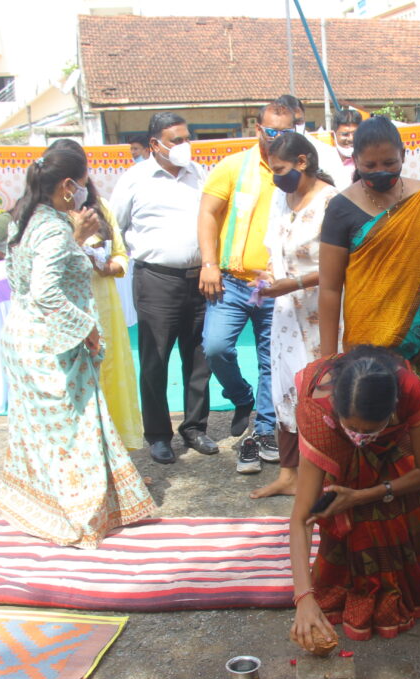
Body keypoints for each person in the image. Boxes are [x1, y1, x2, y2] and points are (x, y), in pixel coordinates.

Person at [318, 116, 420, 563]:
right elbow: (330, 288)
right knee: (384, 442)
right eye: (370, 165)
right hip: (371, 354)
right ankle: (384, 533)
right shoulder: (341, 209)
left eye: (389, 163)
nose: (380, 172)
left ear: (403, 156)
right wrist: (328, 360)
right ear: (355, 162)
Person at [0, 146, 155, 548]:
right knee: (70, 430)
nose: (86, 191)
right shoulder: (52, 228)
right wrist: (87, 329)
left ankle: (42, 505)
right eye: (83, 182)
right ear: (68, 186)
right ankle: (79, 513)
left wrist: (77, 239)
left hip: (23, 336)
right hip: (50, 342)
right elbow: (45, 291)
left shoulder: (25, 217)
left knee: (39, 429)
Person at [288, 347, 420, 645]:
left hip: (393, 458)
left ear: (393, 411)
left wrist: (363, 496)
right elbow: (302, 517)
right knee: (333, 507)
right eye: (353, 428)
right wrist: (303, 598)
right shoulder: (319, 414)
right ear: (336, 407)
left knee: (387, 514)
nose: (359, 437)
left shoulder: (409, 390)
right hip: (336, 446)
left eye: (370, 430)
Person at [112, 112, 218, 464]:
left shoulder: (199, 174)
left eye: (188, 138)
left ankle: (194, 427)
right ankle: (158, 435)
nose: (185, 145)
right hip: (156, 280)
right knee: (155, 360)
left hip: (200, 278)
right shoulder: (134, 179)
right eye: (177, 140)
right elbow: (116, 226)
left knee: (200, 357)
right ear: (155, 144)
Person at [197, 102, 293, 474]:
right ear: (258, 129)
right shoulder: (233, 167)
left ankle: (266, 429)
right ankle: (241, 396)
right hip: (232, 282)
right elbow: (207, 213)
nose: (278, 138)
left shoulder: (296, 172)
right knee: (216, 347)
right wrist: (209, 264)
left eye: (287, 132)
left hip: (276, 284)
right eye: (272, 131)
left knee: (272, 359)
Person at [250, 132, 339, 499]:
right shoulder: (281, 199)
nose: (276, 177)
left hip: (322, 310)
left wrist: (295, 282)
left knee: (320, 390)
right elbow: (278, 250)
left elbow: (341, 264)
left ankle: (328, 476)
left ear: (303, 162)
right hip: (287, 312)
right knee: (285, 386)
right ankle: (289, 474)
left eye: (280, 169)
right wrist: (270, 279)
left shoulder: (332, 202)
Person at [47, 138, 144, 453]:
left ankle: (115, 455)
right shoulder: (45, 217)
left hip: (104, 305)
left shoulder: (98, 208)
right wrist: (77, 241)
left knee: (111, 376)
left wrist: (108, 266)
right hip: (67, 310)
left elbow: (120, 255)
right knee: (74, 385)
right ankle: (82, 458)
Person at [330, 107, 362, 184]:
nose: (351, 139)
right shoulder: (325, 162)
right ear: (333, 135)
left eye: (355, 134)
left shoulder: (368, 161)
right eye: (345, 134)